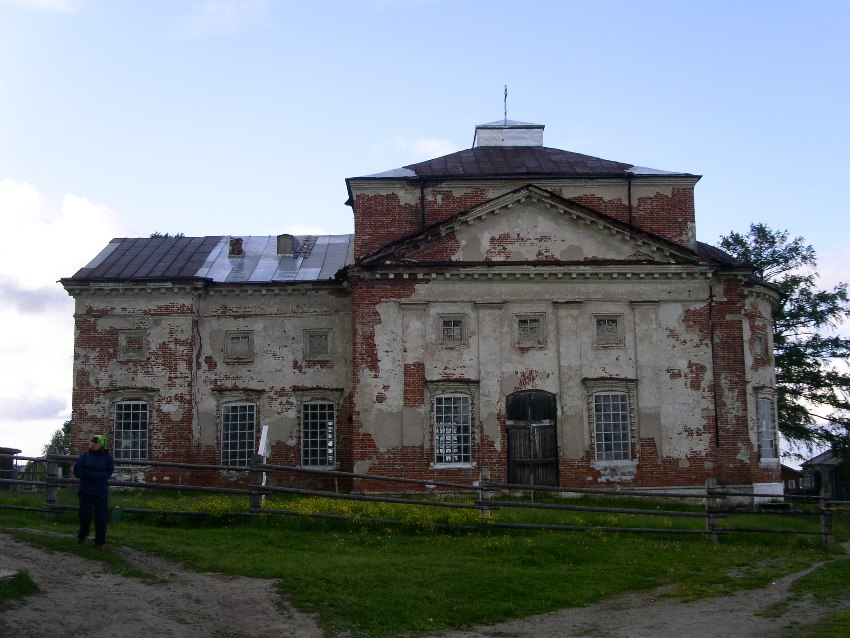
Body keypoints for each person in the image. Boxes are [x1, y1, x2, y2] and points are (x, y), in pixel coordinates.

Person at [73, 435, 115, 548]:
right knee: (84, 515)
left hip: (100, 492)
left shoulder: (107, 458)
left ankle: (99, 541)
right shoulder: (84, 456)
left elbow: (109, 472)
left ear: (101, 444)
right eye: (92, 442)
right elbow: (77, 470)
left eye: (96, 442)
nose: (93, 444)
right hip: (85, 490)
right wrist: (88, 475)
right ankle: (82, 535)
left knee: (101, 517)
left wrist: (95, 476)